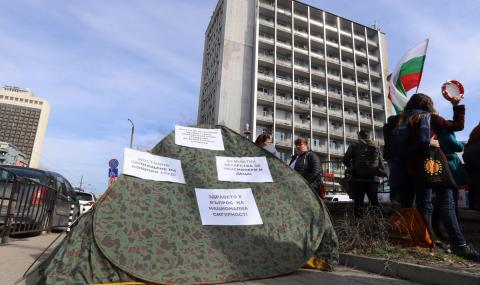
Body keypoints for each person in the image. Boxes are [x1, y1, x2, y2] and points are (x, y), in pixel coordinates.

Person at [384, 93, 479, 261]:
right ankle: (460, 245)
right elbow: (457, 126)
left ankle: (423, 242)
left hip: (408, 172)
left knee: (421, 206)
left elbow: (393, 149)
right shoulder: (430, 118)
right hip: (432, 166)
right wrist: (456, 105)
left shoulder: (395, 122)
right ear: (428, 105)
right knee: (446, 204)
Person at [343, 129, 386, 218]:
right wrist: (380, 172)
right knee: (374, 202)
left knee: (358, 203)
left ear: (359, 136)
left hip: (357, 179)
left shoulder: (354, 145)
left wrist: (352, 168)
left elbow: (345, 160)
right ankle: (376, 223)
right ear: (370, 136)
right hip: (373, 179)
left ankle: (359, 225)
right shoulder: (376, 146)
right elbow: (381, 164)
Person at [463, 123, 480, 210]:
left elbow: (465, 153)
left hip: (471, 165)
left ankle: (473, 204)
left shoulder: (474, 134)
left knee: (473, 185)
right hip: (476, 163)